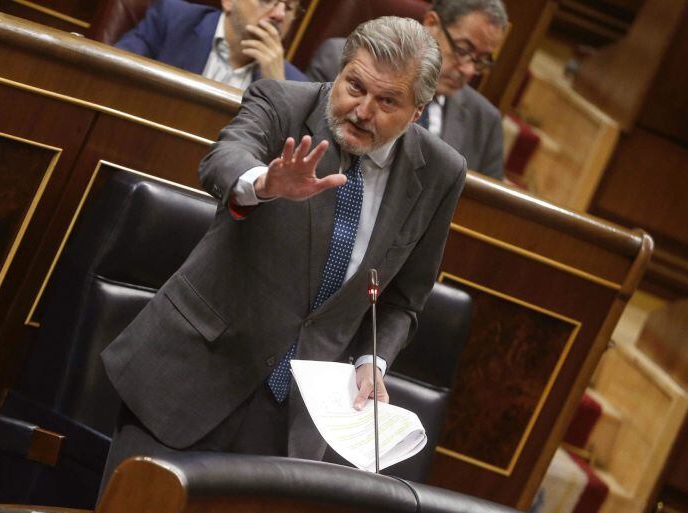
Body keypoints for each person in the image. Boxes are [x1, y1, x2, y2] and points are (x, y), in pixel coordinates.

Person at [99, 16, 466, 488]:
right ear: (340, 70)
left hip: (294, 420)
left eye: (388, 101)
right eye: (354, 86)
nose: (362, 110)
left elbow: (404, 298)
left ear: (416, 112)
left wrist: (371, 361)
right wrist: (264, 183)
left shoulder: (440, 171)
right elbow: (223, 159)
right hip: (193, 377)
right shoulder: (283, 102)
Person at [307, 0, 508, 180]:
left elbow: (486, 211)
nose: (468, 70)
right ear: (431, 23)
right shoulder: (342, 64)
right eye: (462, 50)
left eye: (481, 60)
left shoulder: (485, 121)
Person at [115, 0, 307, 89]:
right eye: (267, 0)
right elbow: (114, 72)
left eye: (289, 8)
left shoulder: (295, 85)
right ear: (229, 2)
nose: (279, 14)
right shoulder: (172, 21)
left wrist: (276, 89)